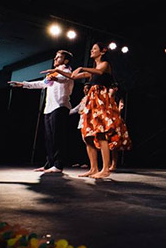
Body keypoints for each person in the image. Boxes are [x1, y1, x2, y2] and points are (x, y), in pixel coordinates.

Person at [44, 43, 131, 178]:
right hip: (91, 101)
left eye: (94, 49)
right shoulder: (92, 70)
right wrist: (56, 72)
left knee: (101, 133)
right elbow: (72, 76)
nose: (91, 50)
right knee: (88, 136)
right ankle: (93, 168)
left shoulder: (104, 64)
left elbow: (100, 72)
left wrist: (82, 67)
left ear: (102, 52)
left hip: (101, 100)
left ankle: (106, 169)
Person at [9, 50, 74, 173]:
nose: (55, 58)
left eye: (59, 57)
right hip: (49, 107)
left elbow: (62, 79)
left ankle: (58, 165)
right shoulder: (52, 74)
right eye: (55, 56)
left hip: (60, 106)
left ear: (65, 61)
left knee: (58, 137)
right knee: (49, 138)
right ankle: (49, 164)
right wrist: (23, 84)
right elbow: (42, 84)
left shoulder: (67, 72)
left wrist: (55, 75)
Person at [69, 83, 92, 168]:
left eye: (86, 88)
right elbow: (77, 108)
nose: (84, 90)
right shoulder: (83, 99)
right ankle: (79, 160)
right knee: (79, 142)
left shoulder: (92, 98)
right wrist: (66, 112)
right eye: (84, 88)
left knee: (87, 142)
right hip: (81, 122)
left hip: (88, 122)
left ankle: (86, 162)